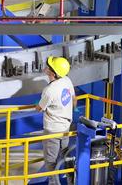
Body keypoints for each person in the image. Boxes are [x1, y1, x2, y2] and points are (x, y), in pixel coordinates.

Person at [33, 55, 75, 185]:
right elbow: (74, 100)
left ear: (53, 72)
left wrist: (37, 103)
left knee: (51, 161)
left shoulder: (49, 90)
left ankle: (53, 183)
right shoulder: (67, 80)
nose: (46, 66)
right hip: (65, 128)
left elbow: (39, 108)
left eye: (49, 66)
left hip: (52, 131)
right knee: (66, 158)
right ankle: (71, 182)